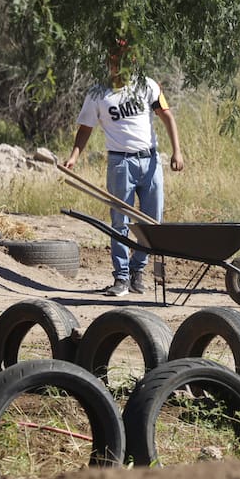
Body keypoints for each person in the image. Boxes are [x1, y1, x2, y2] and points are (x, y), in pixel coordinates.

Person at [64, 38, 185, 297]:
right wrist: (74, 156)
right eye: (114, 59)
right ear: (109, 62)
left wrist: (177, 151)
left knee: (152, 221)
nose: (119, 65)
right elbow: (85, 128)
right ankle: (120, 278)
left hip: (150, 161)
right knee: (120, 221)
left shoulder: (148, 86)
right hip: (121, 163)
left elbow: (167, 116)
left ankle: (137, 270)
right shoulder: (98, 94)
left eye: (125, 59)